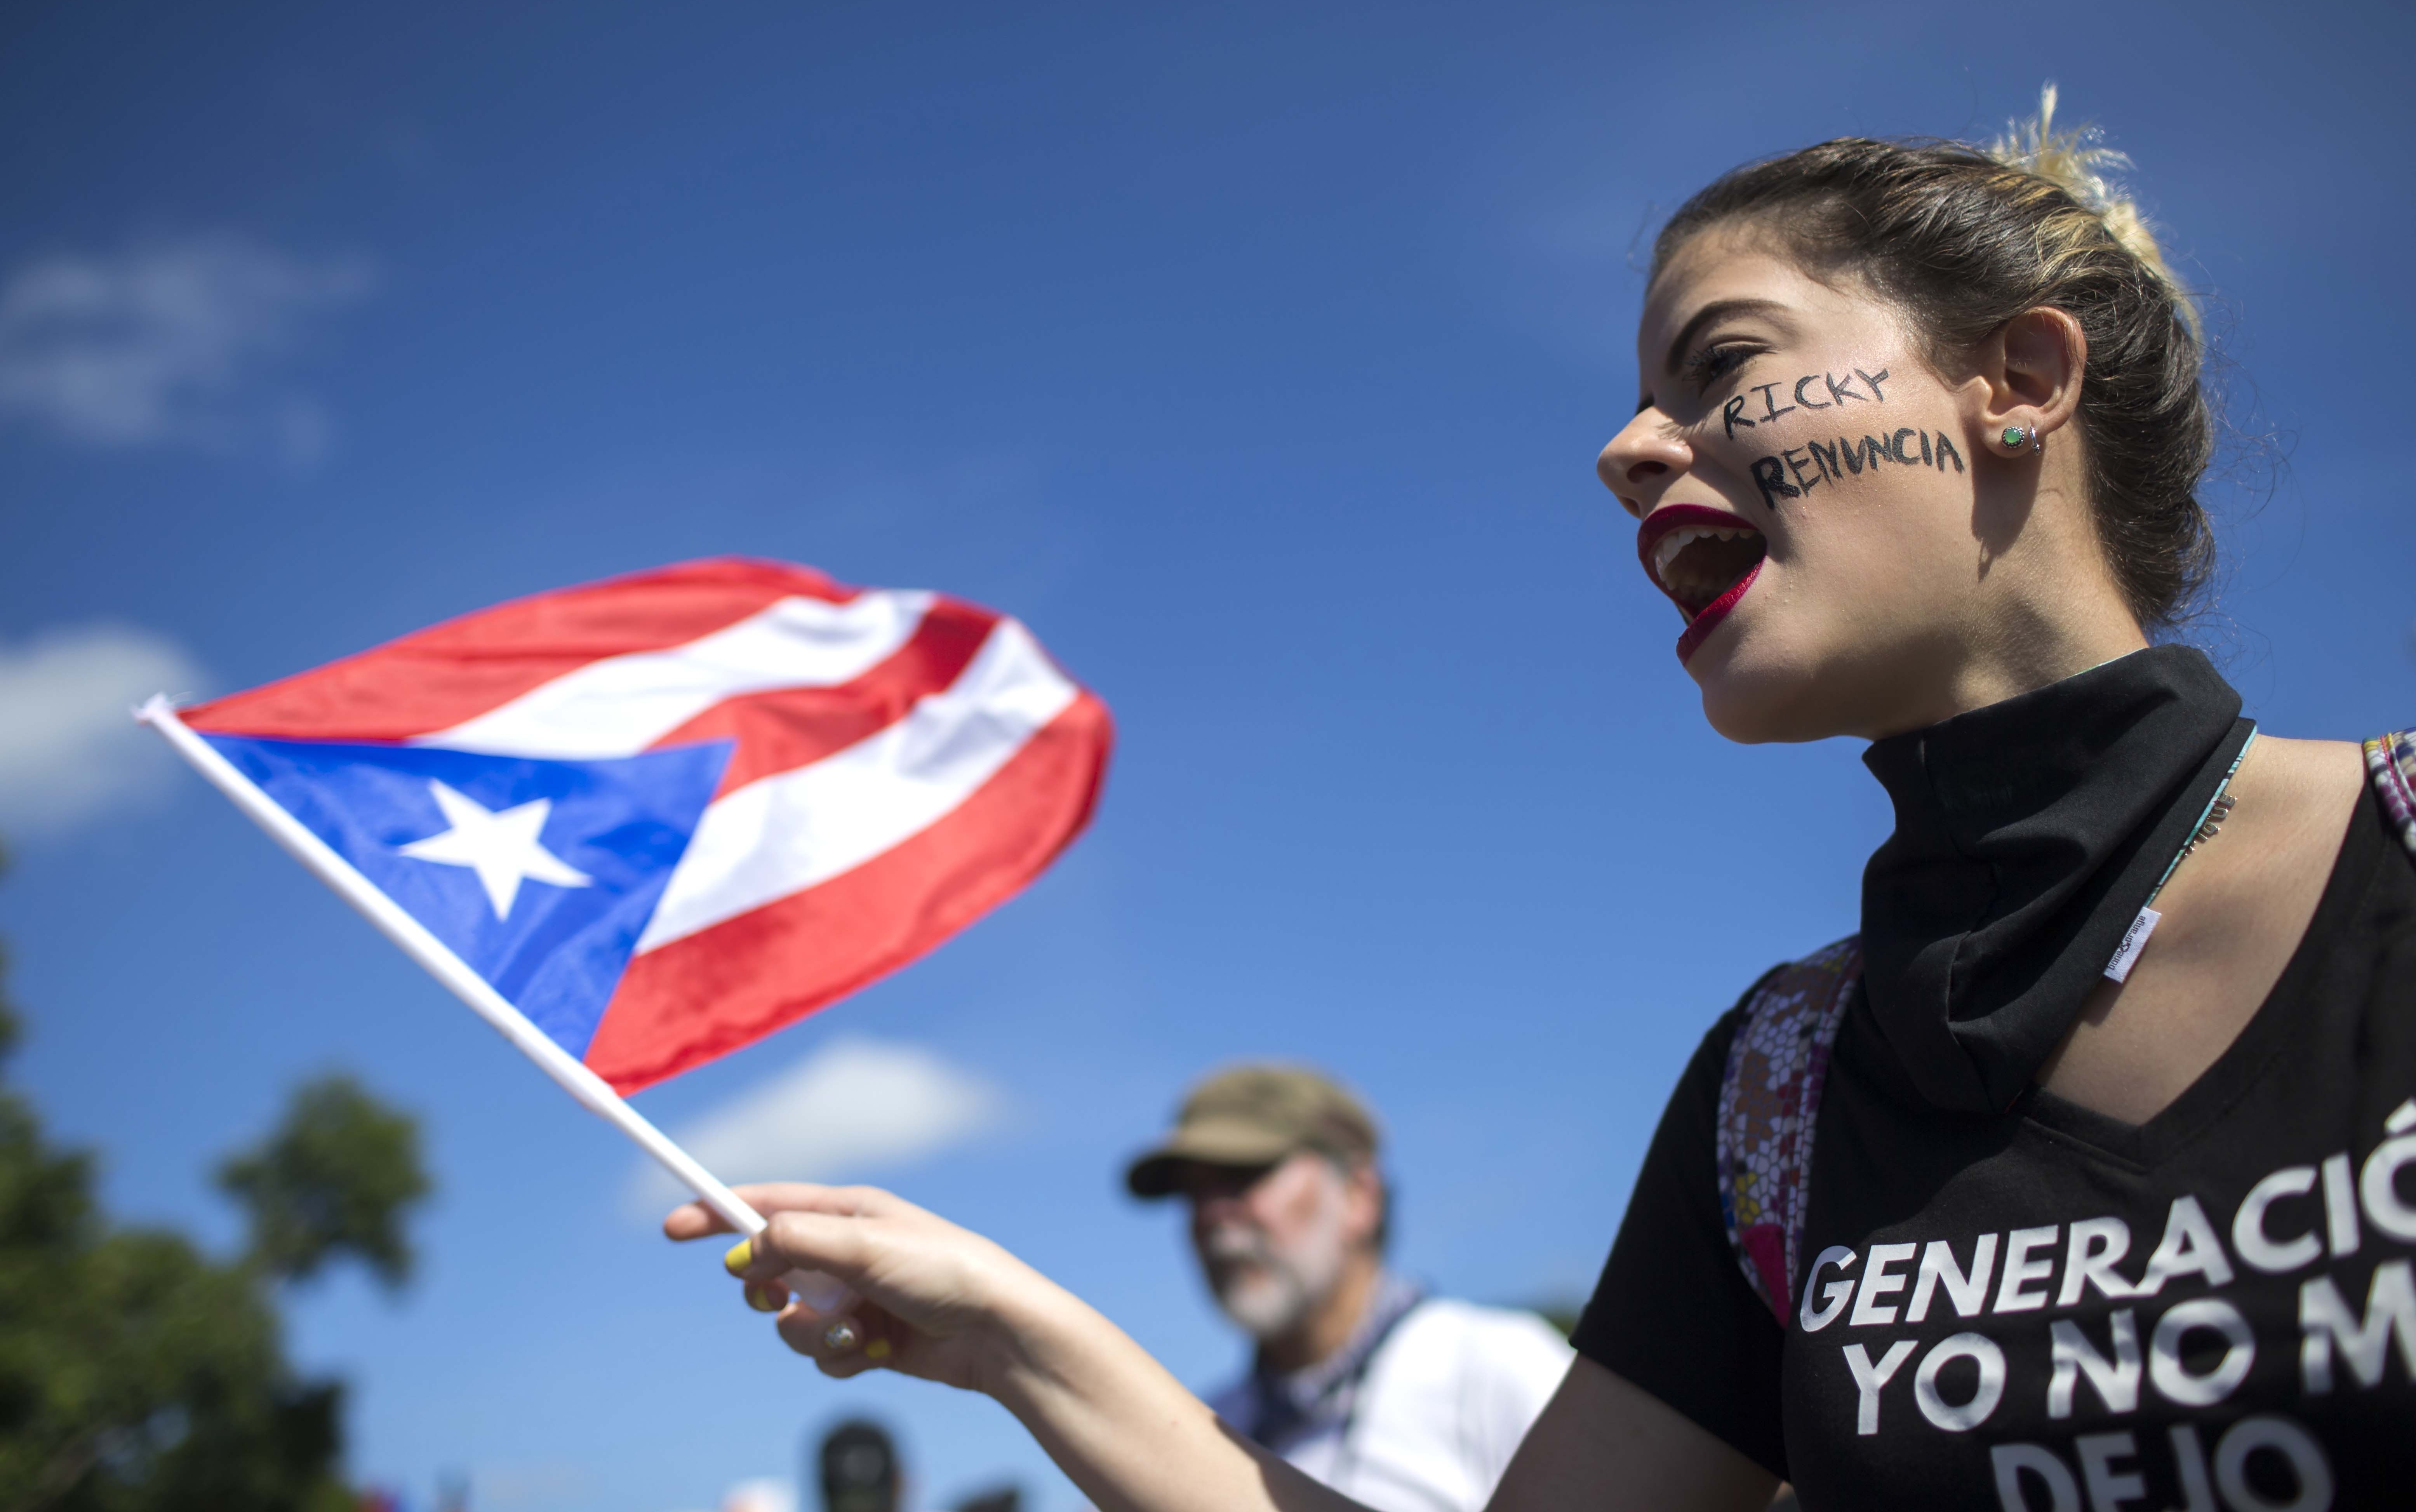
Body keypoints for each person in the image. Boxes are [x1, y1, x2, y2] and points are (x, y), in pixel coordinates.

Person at [673, 89, 2416, 1510]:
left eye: (1723, 364)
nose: (1625, 449)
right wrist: (1010, 1336)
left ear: (2015, 384)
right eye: (1639, 401)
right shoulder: (1780, 1094)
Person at [1121, 1063, 1572, 1511]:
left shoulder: (1494, 1372)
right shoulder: (1206, 1429)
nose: (1212, 1216)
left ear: (1359, 1196)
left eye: (1243, 1175)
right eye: (1193, 1192)